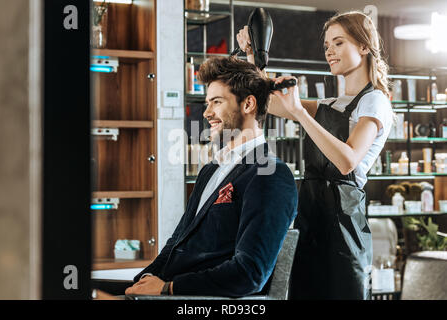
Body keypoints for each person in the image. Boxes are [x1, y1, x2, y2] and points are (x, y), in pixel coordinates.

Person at [237, 11, 394, 299]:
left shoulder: (376, 101)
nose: (329, 52)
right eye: (326, 46)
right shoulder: (330, 103)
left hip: (343, 230)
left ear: (363, 46)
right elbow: (268, 104)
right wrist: (252, 57)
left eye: (338, 42)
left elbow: (347, 160)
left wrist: (299, 113)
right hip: (310, 219)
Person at [125, 56, 298, 297]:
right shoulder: (210, 170)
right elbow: (177, 242)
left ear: (248, 104)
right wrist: (141, 281)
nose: (207, 113)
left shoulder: (270, 174)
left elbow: (249, 273)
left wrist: (168, 288)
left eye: (216, 102)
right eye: (207, 103)